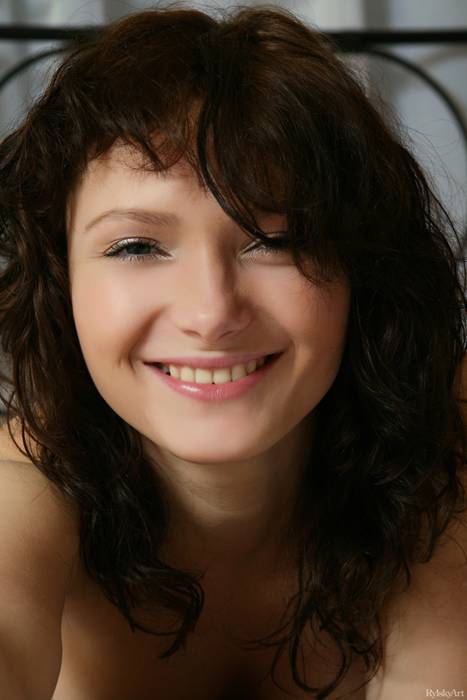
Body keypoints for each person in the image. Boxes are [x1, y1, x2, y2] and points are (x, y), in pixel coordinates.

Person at [0, 4, 466, 699]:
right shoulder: (22, 490)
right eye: (136, 246)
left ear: (360, 271)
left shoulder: (442, 458)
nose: (211, 314)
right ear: (61, 280)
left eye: (275, 241)